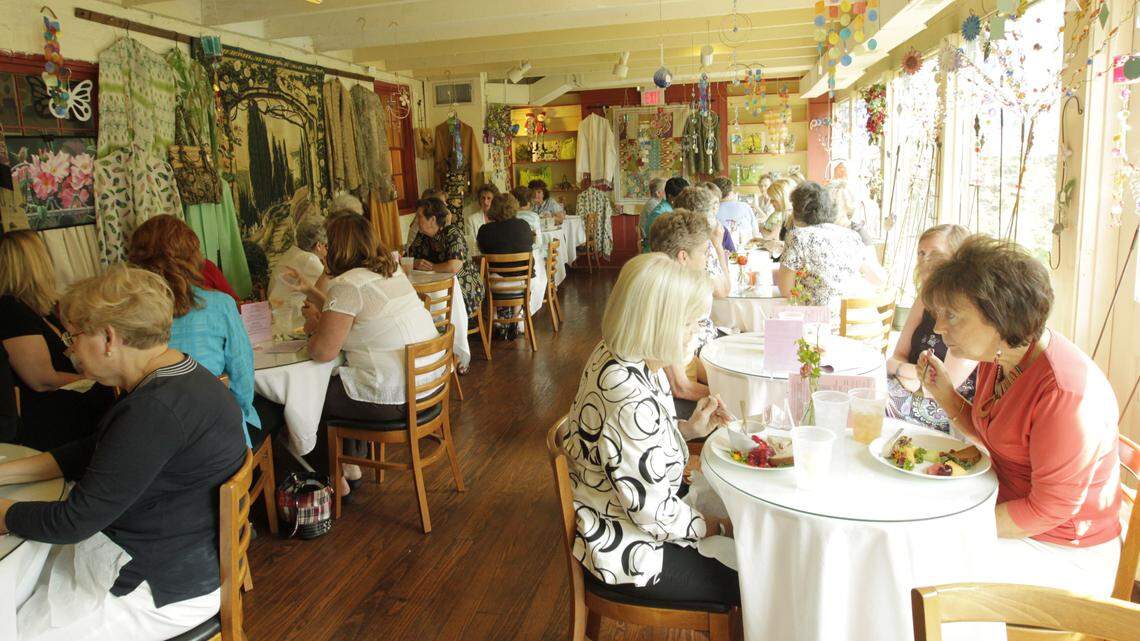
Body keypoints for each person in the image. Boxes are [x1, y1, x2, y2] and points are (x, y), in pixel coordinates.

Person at [0, 265, 247, 641]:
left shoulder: (155, 410)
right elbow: (97, 451)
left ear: (109, 338)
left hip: (161, 587)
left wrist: (3, 513)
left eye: (73, 336)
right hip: (178, 557)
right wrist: (8, 472)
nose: (69, 350)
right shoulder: (182, 374)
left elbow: (73, 523)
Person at [918, 236, 1122, 597]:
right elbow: (996, 432)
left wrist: (957, 524)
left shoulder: (1064, 392)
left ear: (1000, 315)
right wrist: (947, 396)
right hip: (1011, 518)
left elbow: (1048, 510)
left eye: (952, 315)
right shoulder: (1001, 356)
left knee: (921, 565)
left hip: (1061, 553)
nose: (938, 328)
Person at [558, 253, 738, 607]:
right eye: (689, 324)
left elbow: (635, 451)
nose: (696, 335)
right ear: (659, 323)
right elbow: (653, 514)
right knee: (755, 576)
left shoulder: (625, 353)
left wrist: (688, 429)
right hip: (629, 548)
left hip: (637, 516)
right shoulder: (625, 396)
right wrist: (716, 526)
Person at [290, 214, 439, 496]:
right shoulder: (391, 271)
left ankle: (334, 479)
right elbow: (358, 315)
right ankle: (350, 468)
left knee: (310, 395)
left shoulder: (347, 285)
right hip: (428, 387)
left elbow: (323, 352)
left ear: (337, 248)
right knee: (343, 381)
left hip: (395, 399)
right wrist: (319, 302)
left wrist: (314, 326)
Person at [129, 215, 262, 446]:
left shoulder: (131, 313)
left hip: (153, 435)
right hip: (216, 431)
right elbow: (242, 377)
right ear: (192, 256)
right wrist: (239, 413)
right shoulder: (220, 305)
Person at [0, 229, 113, 450]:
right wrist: (99, 381)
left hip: (68, 419)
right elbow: (41, 380)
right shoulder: (10, 310)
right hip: (48, 426)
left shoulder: (40, 309)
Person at [885, 224, 975, 433]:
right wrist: (908, 373)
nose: (925, 261)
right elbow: (897, 356)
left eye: (935, 254)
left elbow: (947, 387)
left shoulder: (969, 308)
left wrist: (912, 380)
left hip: (949, 406)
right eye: (921, 253)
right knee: (858, 390)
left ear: (957, 259)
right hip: (907, 386)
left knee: (875, 404)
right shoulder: (924, 299)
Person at [648, 209, 723, 419]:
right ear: (683, 256)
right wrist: (729, 395)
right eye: (704, 252)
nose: (708, 259)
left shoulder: (679, 289)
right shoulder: (664, 300)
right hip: (670, 406)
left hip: (688, 385)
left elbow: (689, 360)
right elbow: (679, 387)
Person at [776, 181, 886, 307]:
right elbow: (875, 278)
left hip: (822, 321)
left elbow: (786, 291)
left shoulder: (797, 237)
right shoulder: (852, 236)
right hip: (855, 317)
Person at [406, 198, 486, 317]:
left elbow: (453, 266)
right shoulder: (421, 237)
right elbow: (406, 259)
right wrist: (415, 263)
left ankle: (444, 330)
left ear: (432, 219)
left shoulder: (452, 233)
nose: (416, 221)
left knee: (423, 306)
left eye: (419, 216)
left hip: (463, 289)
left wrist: (432, 267)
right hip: (434, 287)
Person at [268, 216, 328, 336]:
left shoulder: (293, 252)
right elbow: (334, 285)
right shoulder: (309, 259)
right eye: (326, 245)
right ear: (318, 246)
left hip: (277, 322)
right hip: (291, 326)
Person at [672, 186, 732, 299]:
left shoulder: (667, 234)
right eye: (711, 211)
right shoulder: (703, 245)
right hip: (695, 310)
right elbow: (723, 291)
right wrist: (718, 246)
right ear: (705, 216)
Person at [642, 176, 688, 251]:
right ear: (671, 197)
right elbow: (666, 243)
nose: (685, 199)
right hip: (655, 254)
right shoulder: (660, 213)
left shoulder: (671, 209)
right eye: (682, 197)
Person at [713, 176, 759, 246]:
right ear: (731, 192)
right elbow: (755, 233)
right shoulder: (745, 206)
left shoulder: (711, 210)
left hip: (720, 251)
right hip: (745, 250)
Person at [463, 183, 499, 255]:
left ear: (495, 200)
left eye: (489, 198)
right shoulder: (472, 220)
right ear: (479, 199)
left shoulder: (500, 217)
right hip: (480, 259)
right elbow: (472, 246)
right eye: (483, 198)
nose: (485, 202)